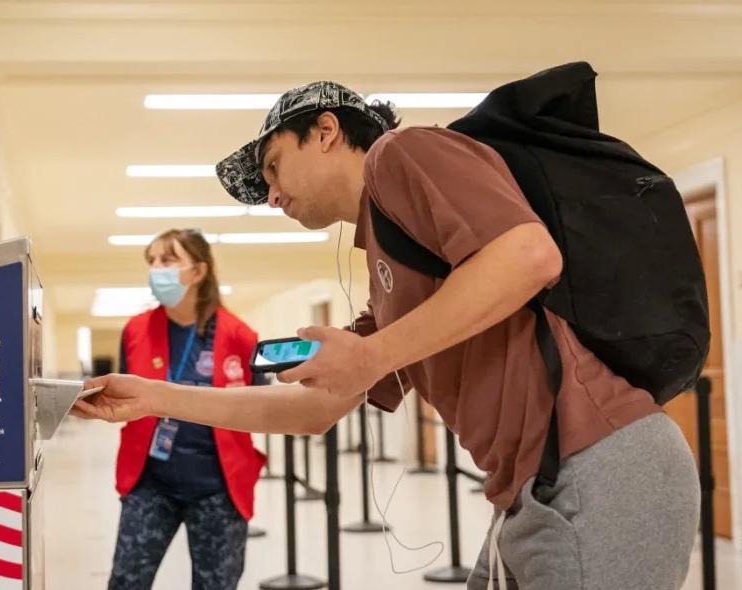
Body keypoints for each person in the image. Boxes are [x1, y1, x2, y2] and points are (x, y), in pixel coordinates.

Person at [73, 82, 699, 590]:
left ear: (325, 131)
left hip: (598, 469)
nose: (269, 195)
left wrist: (371, 354)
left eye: (272, 166)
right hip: (528, 496)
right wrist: (155, 397)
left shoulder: (402, 155)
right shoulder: (389, 265)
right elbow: (315, 410)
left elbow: (528, 256)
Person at [106, 229, 265, 590]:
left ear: (198, 271)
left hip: (218, 488)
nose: (157, 269)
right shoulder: (136, 331)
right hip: (151, 483)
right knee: (125, 581)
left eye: (169, 259)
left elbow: (260, 406)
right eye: (153, 261)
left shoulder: (240, 335)